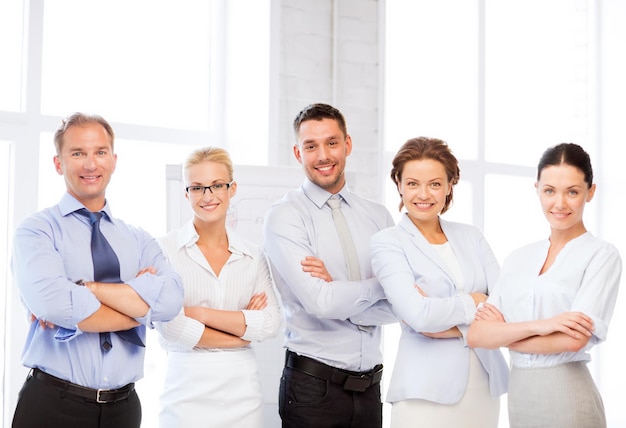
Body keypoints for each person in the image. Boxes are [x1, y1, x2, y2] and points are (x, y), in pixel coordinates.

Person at [11, 112, 184, 428]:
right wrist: (140, 302)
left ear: (114, 160)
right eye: (78, 153)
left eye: (100, 152)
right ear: (58, 163)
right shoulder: (37, 231)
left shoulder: (139, 239)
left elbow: (171, 302)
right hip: (53, 405)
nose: (91, 165)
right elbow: (55, 304)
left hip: (124, 408)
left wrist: (87, 289)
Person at [468, 143, 622, 428]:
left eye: (573, 192)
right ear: (537, 188)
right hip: (520, 396)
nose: (560, 203)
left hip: (569, 396)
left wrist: (502, 334)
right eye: (549, 190)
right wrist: (543, 325)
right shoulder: (518, 258)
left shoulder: (601, 255)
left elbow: (574, 339)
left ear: (591, 192)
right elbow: (477, 335)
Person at [263, 103, 397, 428]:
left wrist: (340, 291)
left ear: (347, 145)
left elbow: (400, 305)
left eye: (332, 143)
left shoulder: (379, 217)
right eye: (311, 146)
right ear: (298, 153)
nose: (323, 155)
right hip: (312, 392)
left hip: (370, 391)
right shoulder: (285, 217)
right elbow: (319, 302)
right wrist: (380, 287)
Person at [370, 137, 508, 428]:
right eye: (412, 183)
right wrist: (475, 301)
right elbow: (418, 315)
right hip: (424, 392)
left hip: (484, 386)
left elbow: (505, 304)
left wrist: (441, 324)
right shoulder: (388, 243)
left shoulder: (472, 236)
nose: (423, 194)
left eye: (434, 183)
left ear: (449, 185)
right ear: (398, 183)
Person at [155, 147, 282, 427]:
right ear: (186, 193)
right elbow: (170, 326)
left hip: (241, 391)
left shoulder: (252, 255)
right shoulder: (164, 250)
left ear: (232, 189)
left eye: (217, 186)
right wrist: (241, 332)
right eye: (197, 188)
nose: (208, 196)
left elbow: (271, 323)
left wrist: (199, 314)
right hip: (185, 388)